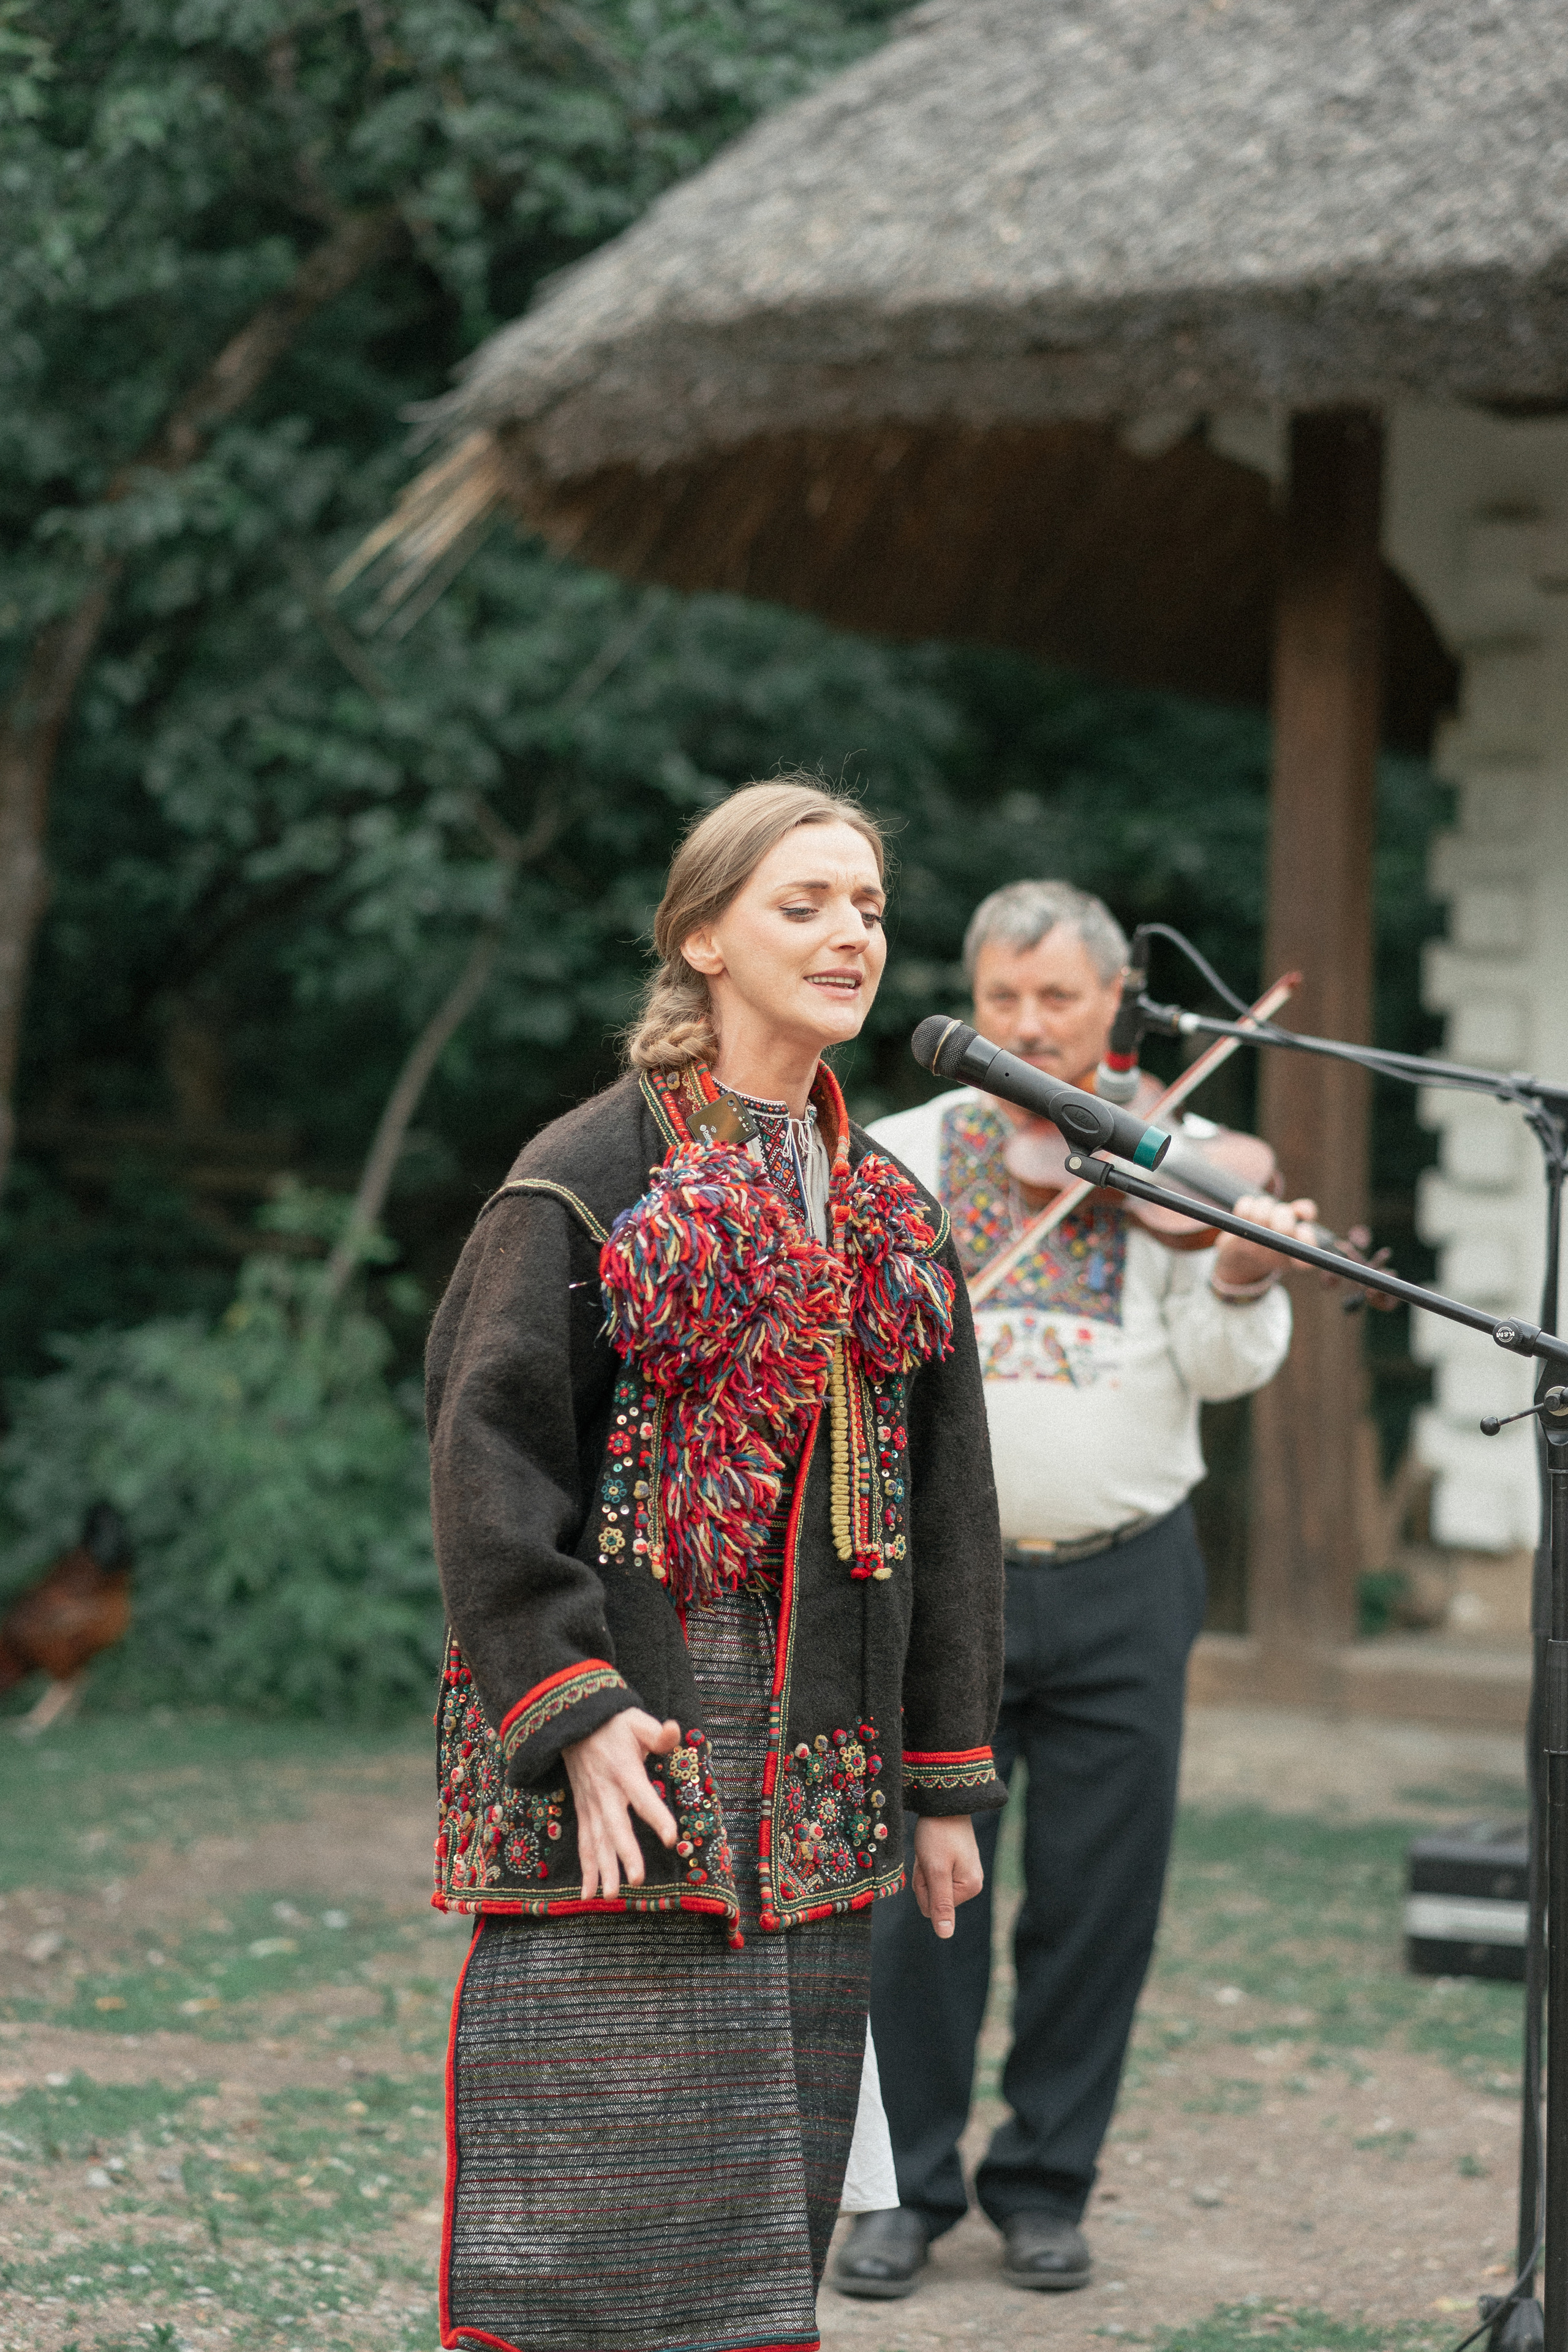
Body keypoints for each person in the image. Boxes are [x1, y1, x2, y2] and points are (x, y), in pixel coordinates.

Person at [424, 778, 1008, 2352]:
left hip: (816, 1736)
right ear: (701, 938)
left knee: (768, 2150)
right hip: (640, 1713)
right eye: (801, 904)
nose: (849, 935)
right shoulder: (586, 1174)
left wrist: (943, 1777)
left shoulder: (886, 1209)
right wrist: (571, 1705)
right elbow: (488, 1463)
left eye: (867, 906)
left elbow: (948, 1510)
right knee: (594, 2126)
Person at [833, 879, 1316, 2302]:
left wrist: (1241, 1276)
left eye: (1055, 998)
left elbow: (1223, 1369)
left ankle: (1046, 2186)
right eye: (1001, 998)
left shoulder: (1171, 1159)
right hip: (944, 1590)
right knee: (916, 1907)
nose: (1027, 1025)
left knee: (1098, 1903)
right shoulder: (903, 1154)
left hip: (1126, 1580)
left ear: (1115, 1004)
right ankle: (903, 2195)